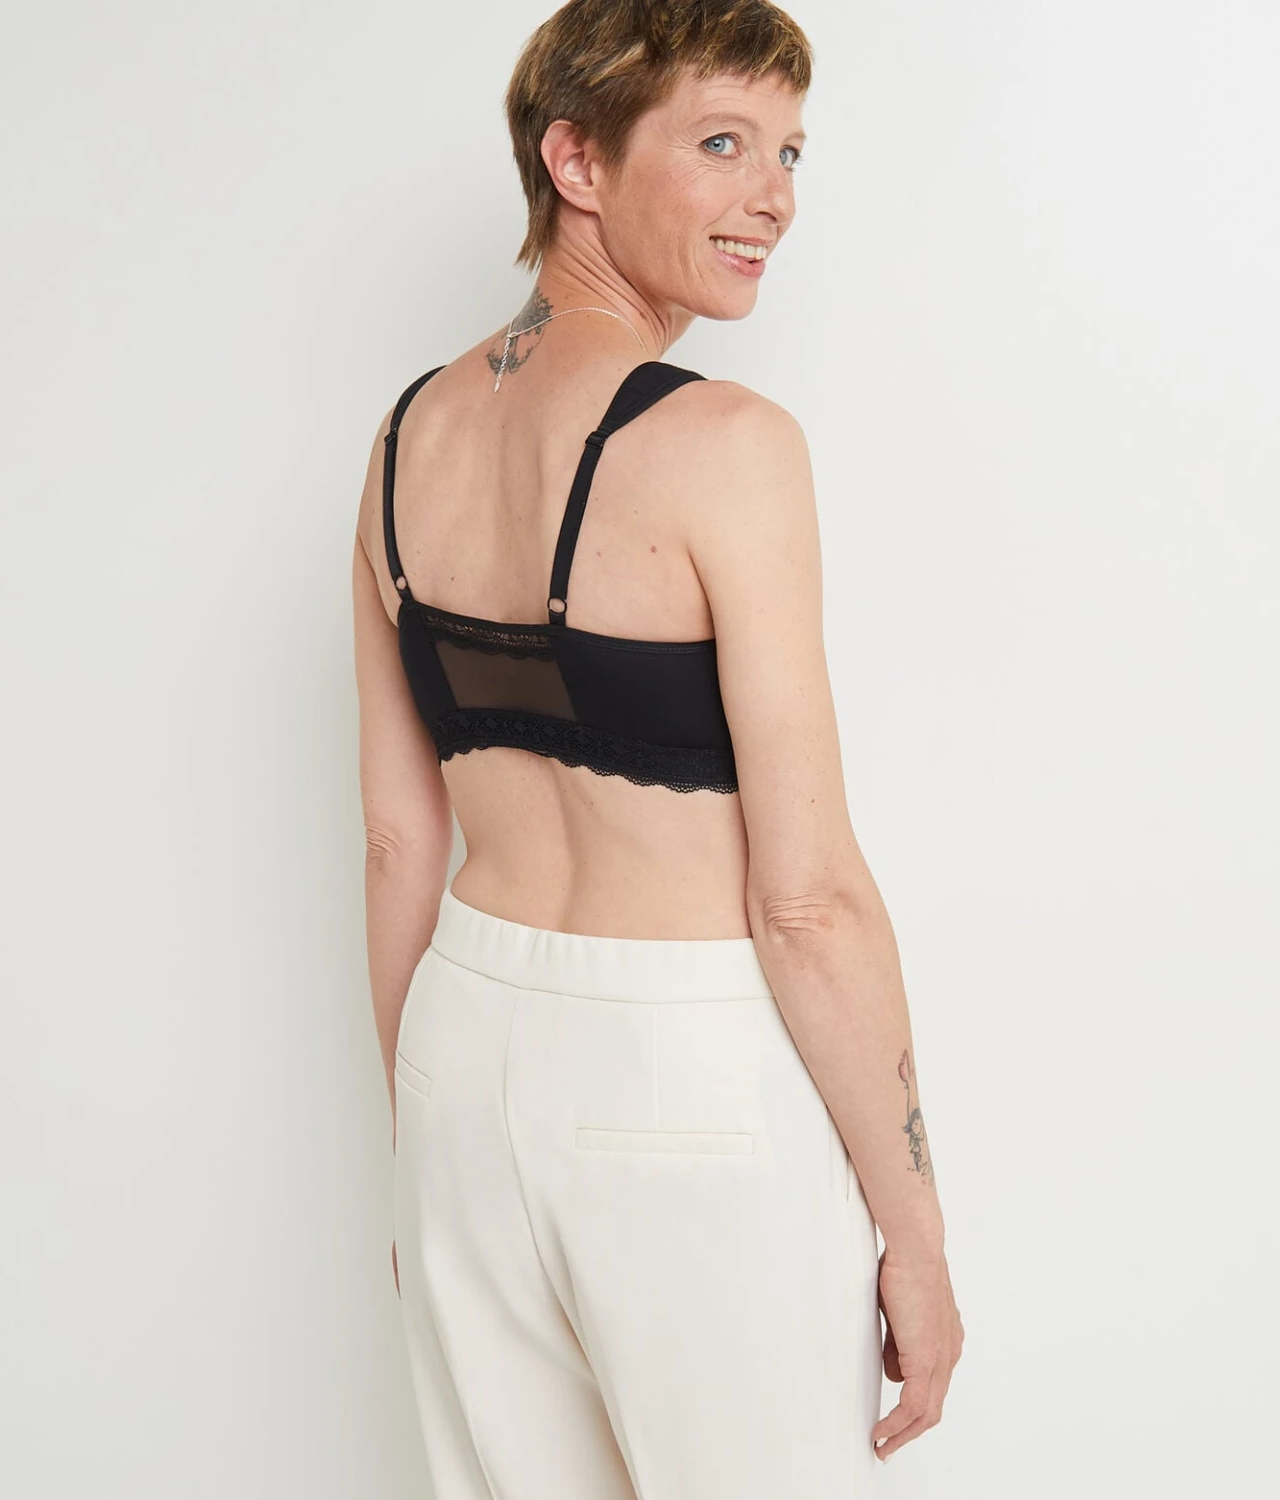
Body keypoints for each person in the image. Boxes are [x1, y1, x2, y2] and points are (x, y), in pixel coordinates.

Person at [350, 2, 963, 1494]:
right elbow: (805, 898)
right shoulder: (727, 444)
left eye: (790, 152)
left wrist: (428, 1138)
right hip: (681, 1075)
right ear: (576, 161)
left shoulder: (402, 440)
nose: (775, 197)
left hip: (459, 1052)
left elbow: (397, 838)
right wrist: (916, 1237)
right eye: (723, 143)